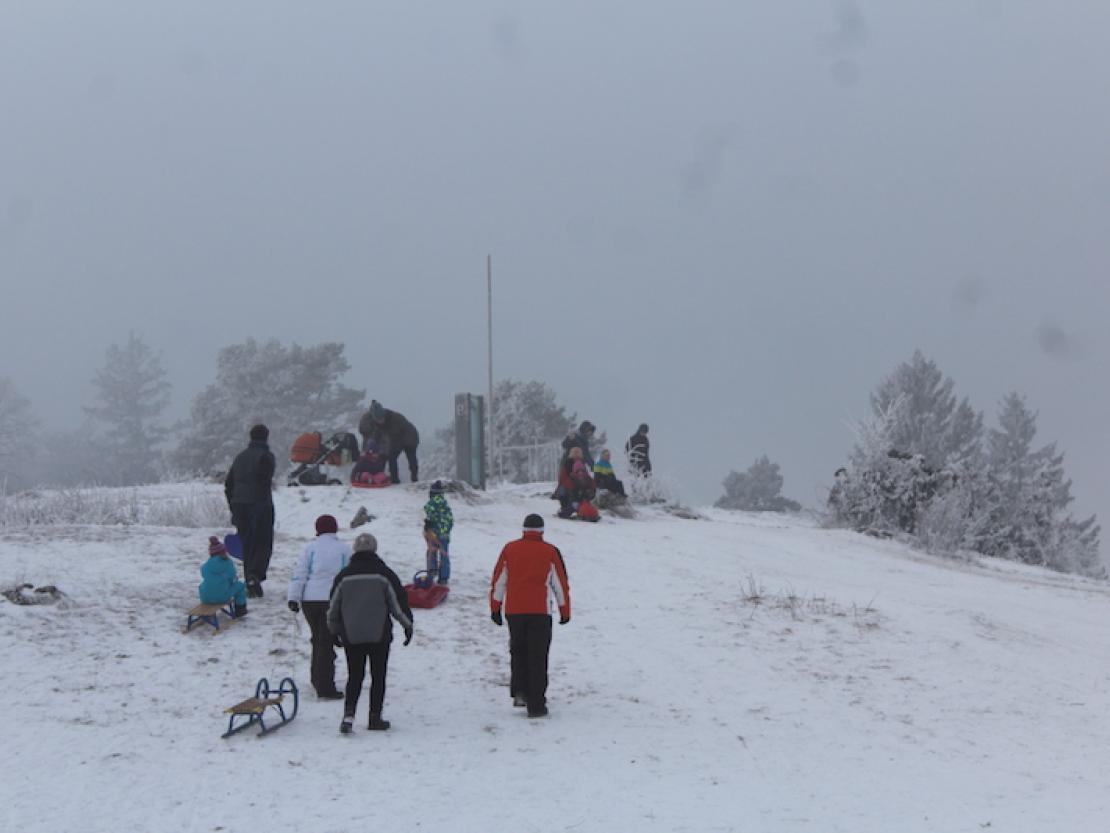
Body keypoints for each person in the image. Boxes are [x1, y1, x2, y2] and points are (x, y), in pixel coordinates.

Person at [327, 532, 414, 733]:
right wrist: (407, 625)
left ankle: (348, 716)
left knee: (355, 675)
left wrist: (333, 630)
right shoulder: (384, 574)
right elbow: (397, 604)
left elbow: (333, 607)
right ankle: (375, 717)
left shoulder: (344, 576)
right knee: (378, 675)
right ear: (375, 550)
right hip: (379, 634)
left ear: (355, 550)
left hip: (351, 634)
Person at [489, 514, 571, 718]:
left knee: (518, 651)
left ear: (523, 529)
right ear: (542, 531)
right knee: (538, 655)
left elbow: (499, 580)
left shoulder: (509, 549)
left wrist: (495, 607)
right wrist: (564, 610)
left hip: (514, 610)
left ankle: (520, 692)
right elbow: (560, 584)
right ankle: (536, 704)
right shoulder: (550, 552)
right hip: (539, 612)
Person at [287, 515, 350, 700]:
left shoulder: (310, 548)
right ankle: (325, 687)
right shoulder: (343, 549)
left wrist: (294, 597)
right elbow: (347, 576)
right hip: (331, 600)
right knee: (326, 642)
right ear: (335, 528)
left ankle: (317, 679)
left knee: (318, 640)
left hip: (309, 601)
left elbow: (300, 573)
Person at [224, 424, 276, 598]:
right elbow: (264, 483)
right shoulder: (266, 457)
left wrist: (233, 505)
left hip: (239, 504)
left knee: (247, 545)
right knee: (263, 543)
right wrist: (261, 505)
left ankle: (250, 581)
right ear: (266, 437)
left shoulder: (240, 457)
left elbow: (228, 483)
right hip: (260, 505)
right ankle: (255, 576)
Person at [358, 400, 420, 484]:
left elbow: (393, 438)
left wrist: (386, 449)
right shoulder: (374, 421)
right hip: (398, 437)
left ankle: (414, 477)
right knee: (391, 457)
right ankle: (395, 479)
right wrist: (372, 447)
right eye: (378, 419)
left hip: (410, 437)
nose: (380, 421)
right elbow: (376, 435)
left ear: (384, 415)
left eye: (381, 418)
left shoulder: (394, 419)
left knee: (410, 456)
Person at [198, 536, 248, 617]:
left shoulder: (205, 566)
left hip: (205, 597)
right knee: (240, 585)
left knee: (204, 585)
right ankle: (240, 609)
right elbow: (232, 578)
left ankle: (207, 606)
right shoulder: (228, 563)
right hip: (222, 597)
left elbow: (205, 576)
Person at [423, 480, 454, 586]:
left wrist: (427, 527)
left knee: (431, 552)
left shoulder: (431, 503)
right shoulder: (445, 505)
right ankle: (443, 578)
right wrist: (446, 531)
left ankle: (432, 572)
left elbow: (430, 516)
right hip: (444, 535)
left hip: (433, 534)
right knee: (444, 554)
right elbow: (450, 520)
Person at [556, 447, 595, 519]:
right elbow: (563, 478)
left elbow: (587, 477)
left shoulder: (583, 464)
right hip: (570, 487)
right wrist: (572, 483)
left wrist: (591, 488)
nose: (576, 454)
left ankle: (582, 510)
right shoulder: (567, 464)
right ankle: (565, 507)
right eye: (575, 452)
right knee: (565, 492)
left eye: (578, 453)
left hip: (580, 489)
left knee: (581, 500)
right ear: (571, 454)